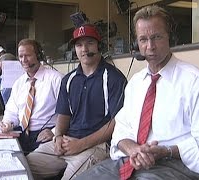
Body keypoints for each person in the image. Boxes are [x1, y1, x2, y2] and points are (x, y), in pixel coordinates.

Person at [76, 5, 199, 180]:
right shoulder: (135, 83)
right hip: (131, 160)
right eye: (143, 39)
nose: (150, 46)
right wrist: (134, 149)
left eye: (157, 37)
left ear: (171, 38)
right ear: (136, 44)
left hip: (176, 164)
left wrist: (165, 151)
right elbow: (121, 131)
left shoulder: (196, 82)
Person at [26, 24, 127, 180]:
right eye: (79, 45)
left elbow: (117, 122)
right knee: (23, 168)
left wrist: (81, 144)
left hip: (97, 146)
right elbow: (63, 114)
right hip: (67, 142)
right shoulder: (68, 79)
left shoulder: (114, 78)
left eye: (89, 43)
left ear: (99, 46)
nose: (84, 49)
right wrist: (58, 137)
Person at [0, 39, 63, 153]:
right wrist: (7, 123)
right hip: (22, 134)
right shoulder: (19, 83)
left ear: (38, 55)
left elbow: (70, 113)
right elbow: (11, 111)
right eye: (21, 56)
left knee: (29, 164)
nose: (24, 60)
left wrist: (54, 131)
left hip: (45, 135)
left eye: (28, 55)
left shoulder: (56, 79)